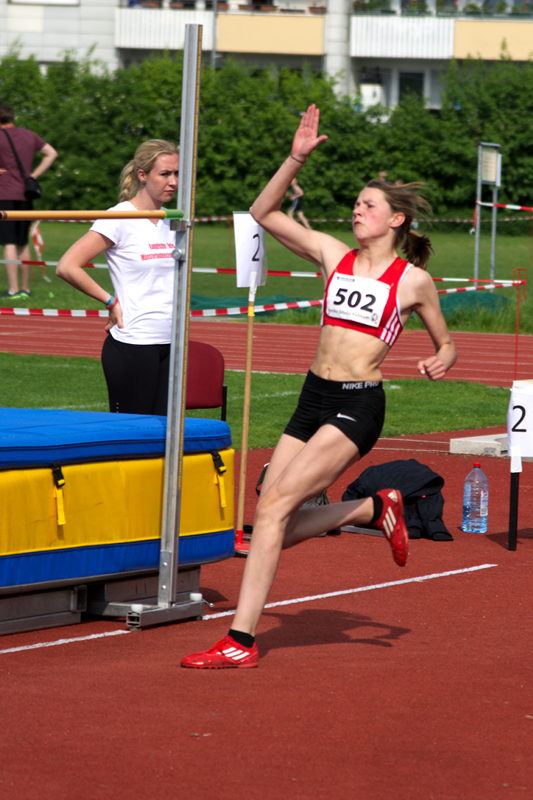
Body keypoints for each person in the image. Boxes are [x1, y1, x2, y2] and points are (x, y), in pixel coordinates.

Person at [181, 104, 457, 669]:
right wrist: (295, 157)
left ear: (396, 220)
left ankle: (241, 641)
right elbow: (262, 211)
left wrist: (442, 358)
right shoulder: (333, 255)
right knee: (270, 515)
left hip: (359, 404)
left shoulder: (414, 281)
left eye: (369, 204)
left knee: (278, 507)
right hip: (314, 395)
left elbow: (447, 343)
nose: (358, 210)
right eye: (355, 203)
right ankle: (368, 510)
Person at [56, 139, 179, 415]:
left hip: (172, 342)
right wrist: (110, 301)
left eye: (176, 173)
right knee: (133, 436)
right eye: (165, 174)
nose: (173, 181)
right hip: (134, 344)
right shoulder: (119, 217)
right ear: (142, 175)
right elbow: (67, 266)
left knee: (164, 438)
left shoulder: (172, 219)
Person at [0, 103, 58, 299]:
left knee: (8, 242)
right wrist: (33, 175)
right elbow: (51, 153)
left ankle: (13, 289)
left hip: (4, 193)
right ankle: (25, 288)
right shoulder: (28, 135)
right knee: (22, 242)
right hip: (26, 193)